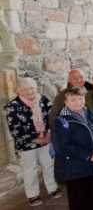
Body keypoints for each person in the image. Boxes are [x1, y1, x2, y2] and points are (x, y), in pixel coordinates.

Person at [6, 78, 61, 206]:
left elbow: (53, 117)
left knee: (48, 164)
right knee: (30, 168)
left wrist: (49, 134)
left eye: (32, 88)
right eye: (25, 89)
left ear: (36, 88)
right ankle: (32, 194)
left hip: (46, 139)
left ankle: (52, 188)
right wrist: (37, 139)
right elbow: (15, 129)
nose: (30, 91)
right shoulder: (13, 106)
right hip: (27, 143)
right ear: (19, 90)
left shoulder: (43, 100)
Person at [52, 87, 93, 210]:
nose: (78, 102)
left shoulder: (90, 112)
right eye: (73, 100)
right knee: (78, 201)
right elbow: (62, 146)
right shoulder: (60, 121)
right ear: (66, 102)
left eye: (80, 99)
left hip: (91, 166)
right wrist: (88, 155)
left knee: (91, 198)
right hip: (74, 168)